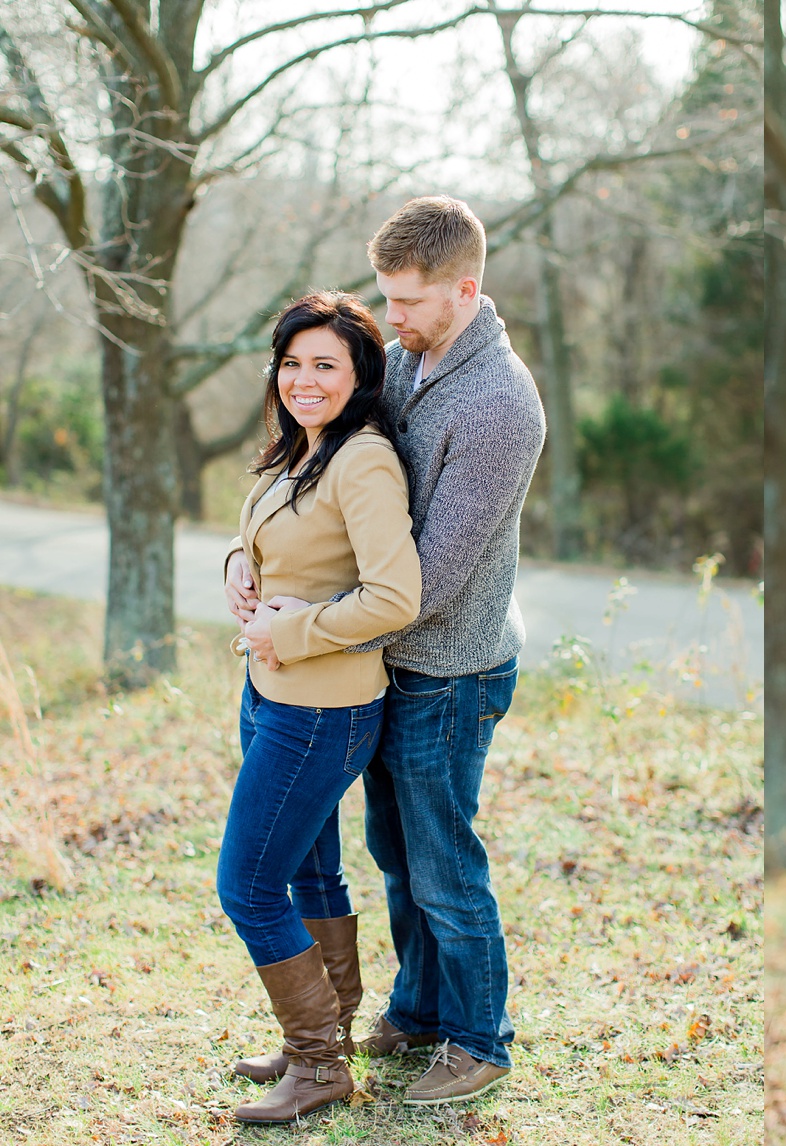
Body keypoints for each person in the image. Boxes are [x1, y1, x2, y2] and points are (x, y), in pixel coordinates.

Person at [228, 196, 545, 1105]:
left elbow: (428, 578)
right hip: (383, 662)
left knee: (445, 862)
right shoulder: (410, 360)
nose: (391, 320)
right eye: (386, 299)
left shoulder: (496, 406)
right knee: (396, 853)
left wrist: (298, 625)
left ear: (464, 289)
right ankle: (415, 1009)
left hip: (451, 665)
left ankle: (480, 1042)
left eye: (405, 302)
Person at [217, 291, 421, 1123]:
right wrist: (237, 560)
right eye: (292, 363)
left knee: (249, 888)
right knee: (308, 870)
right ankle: (326, 1031)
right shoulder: (303, 449)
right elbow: (269, 534)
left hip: (321, 712)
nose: (303, 379)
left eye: (324, 365)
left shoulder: (362, 460)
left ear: (360, 373)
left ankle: (319, 1066)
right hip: (270, 694)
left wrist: (293, 630)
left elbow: (395, 597)